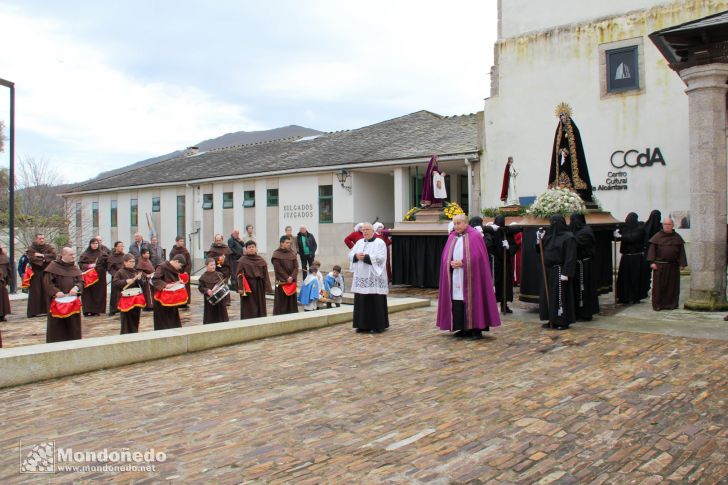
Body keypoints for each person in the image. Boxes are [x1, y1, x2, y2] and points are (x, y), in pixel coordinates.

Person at [437, 214, 500, 338]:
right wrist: (449, 263)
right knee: (458, 300)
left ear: (466, 223)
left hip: (472, 277)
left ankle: (476, 329)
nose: (456, 226)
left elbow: (479, 258)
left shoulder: (475, 236)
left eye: (458, 223)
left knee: (474, 299)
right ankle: (462, 328)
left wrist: (464, 262)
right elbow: (445, 257)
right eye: (454, 224)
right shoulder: (452, 237)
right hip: (456, 275)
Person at [536, 215, 577, 329]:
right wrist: (539, 240)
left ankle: (562, 320)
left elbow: (570, 256)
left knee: (559, 297)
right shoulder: (550, 236)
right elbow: (542, 250)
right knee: (549, 296)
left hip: (560, 270)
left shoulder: (568, 237)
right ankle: (551, 319)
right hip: (549, 270)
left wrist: (566, 272)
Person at [548, 103, 594, 203]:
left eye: (564, 115)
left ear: (567, 116)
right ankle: (562, 193)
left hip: (573, 162)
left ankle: (576, 192)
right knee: (562, 176)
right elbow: (557, 147)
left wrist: (568, 150)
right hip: (563, 160)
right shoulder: (559, 131)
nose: (562, 118)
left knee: (572, 176)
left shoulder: (574, 130)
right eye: (561, 116)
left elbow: (576, 145)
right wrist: (561, 151)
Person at [349, 223, 390, 333]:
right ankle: (362, 325)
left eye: (367, 229)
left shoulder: (379, 242)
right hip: (361, 275)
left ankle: (377, 326)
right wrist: (356, 256)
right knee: (361, 300)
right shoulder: (359, 242)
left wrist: (366, 257)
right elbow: (350, 254)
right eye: (363, 230)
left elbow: (382, 258)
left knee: (374, 301)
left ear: (373, 231)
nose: (365, 232)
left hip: (374, 276)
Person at [44, 247, 83, 343]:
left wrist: (76, 288)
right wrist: (56, 292)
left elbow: (81, 282)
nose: (73, 256)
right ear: (63, 255)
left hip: (72, 302)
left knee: (73, 325)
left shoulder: (75, 268)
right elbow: (47, 283)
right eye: (71, 255)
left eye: (74, 254)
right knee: (58, 326)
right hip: (57, 301)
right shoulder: (53, 267)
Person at [647, 218, 687, 311]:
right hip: (660, 265)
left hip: (673, 266)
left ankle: (671, 304)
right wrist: (652, 262)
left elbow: (681, 252)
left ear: (672, 225)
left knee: (672, 286)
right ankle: (658, 305)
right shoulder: (657, 237)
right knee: (659, 286)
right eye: (665, 224)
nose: (667, 226)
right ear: (663, 225)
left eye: (669, 224)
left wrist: (682, 264)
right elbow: (652, 250)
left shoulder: (677, 237)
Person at [485, 215, 519, 313]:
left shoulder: (507, 232)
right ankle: (491, 305)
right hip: (496, 262)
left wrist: (508, 248)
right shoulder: (492, 231)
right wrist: (496, 252)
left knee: (506, 284)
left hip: (506, 262)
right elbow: (489, 245)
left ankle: (504, 304)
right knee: (496, 283)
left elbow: (514, 245)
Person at [570, 213, 599, 320]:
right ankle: (577, 311)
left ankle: (585, 313)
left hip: (584, 265)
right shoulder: (576, 230)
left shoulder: (586, 231)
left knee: (584, 289)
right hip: (578, 264)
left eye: (573, 220)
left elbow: (575, 242)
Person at [615, 212, 648, 304]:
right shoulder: (625, 228)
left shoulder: (640, 228)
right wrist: (616, 233)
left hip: (636, 257)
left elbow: (633, 238)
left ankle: (635, 296)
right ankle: (623, 296)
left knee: (635, 278)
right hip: (625, 257)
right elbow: (619, 238)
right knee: (624, 278)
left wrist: (621, 236)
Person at [236, 240, 272, 319]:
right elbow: (239, 275)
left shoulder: (261, 260)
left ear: (256, 248)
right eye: (249, 247)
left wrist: (268, 287)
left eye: (253, 247)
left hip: (259, 286)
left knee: (260, 304)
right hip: (248, 286)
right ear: (246, 249)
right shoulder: (242, 260)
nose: (251, 249)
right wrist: (240, 288)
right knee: (248, 305)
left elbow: (265, 274)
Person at [25, 234, 57, 317]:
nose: (42, 240)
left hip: (46, 272)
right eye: (40, 239)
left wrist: (42, 256)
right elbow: (32, 258)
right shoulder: (31, 249)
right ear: (36, 239)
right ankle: (34, 311)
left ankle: (47, 310)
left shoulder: (48, 247)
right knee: (36, 292)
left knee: (47, 290)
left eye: (43, 238)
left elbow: (53, 256)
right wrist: (45, 260)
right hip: (36, 273)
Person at [151, 255, 186, 329]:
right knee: (163, 324)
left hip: (171, 299)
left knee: (173, 322)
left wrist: (179, 282)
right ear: (176, 261)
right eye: (180, 265)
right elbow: (155, 279)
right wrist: (165, 285)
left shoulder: (174, 269)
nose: (180, 268)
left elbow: (174, 280)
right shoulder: (162, 267)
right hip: (161, 301)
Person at [112, 253, 144, 334]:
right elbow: (115, 283)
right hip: (125, 299)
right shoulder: (120, 272)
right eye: (131, 261)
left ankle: (134, 332)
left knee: (135, 318)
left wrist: (139, 279)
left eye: (134, 261)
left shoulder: (136, 272)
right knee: (126, 319)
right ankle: (125, 335)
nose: (133, 263)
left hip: (135, 298)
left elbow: (142, 284)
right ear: (125, 262)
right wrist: (125, 281)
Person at [78, 238, 107, 317]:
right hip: (88, 276)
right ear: (90, 244)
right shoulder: (85, 254)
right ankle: (87, 310)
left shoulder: (102, 254)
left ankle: (96, 310)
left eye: (96, 244)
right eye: (93, 244)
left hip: (99, 276)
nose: (95, 245)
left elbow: (107, 263)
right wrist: (88, 266)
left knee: (98, 293)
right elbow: (80, 264)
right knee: (88, 294)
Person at [272, 236, 299, 315]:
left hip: (291, 281)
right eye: (287, 243)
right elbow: (278, 268)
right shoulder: (276, 254)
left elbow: (296, 267)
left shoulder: (292, 253)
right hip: (282, 282)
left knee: (291, 301)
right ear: (281, 243)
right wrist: (287, 277)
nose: (289, 245)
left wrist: (292, 277)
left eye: (290, 243)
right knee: (281, 301)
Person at [198, 258, 230, 324]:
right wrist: (207, 290)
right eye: (211, 265)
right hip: (209, 301)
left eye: (214, 264)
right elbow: (200, 287)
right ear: (206, 266)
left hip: (220, 300)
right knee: (211, 316)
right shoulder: (203, 276)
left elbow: (224, 285)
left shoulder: (219, 274)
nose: (213, 266)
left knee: (221, 316)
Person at [207, 234, 232, 306]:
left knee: (225, 285)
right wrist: (218, 259)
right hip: (216, 269)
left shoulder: (226, 248)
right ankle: (219, 300)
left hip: (226, 269)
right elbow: (209, 259)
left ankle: (227, 301)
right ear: (215, 240)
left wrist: (231, 270)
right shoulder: (212, 248)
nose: (218, 242)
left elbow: (230, 260)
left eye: (219, 240)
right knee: (217, 285)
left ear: (222, 240)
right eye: (217, 240)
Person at [169, 236, 192, 307]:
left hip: (184, 272)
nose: (182, 242)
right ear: (177, 242)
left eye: (183, 241)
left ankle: (185, 302)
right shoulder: (173, 251)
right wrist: (176, 272)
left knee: (185, 288)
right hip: (177, 272)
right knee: (177, 287)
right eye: (180, 241)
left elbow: (189, 262)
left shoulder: (185, 251)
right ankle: (178, 302)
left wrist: (186, 271)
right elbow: (171, 262)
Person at [106, 241, 126, 316]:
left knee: (122, 293)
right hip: (115, 277)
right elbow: (110, 268)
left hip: (124, 277)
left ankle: (122, 307)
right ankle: (113, 309)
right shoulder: (111, 257)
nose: (122, 247)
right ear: (116, 247)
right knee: (115, 294)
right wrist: (115, 275)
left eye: (122, 246)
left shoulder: (124, 256)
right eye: (120, 246)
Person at [0, 244, 11, 324]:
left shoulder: (4, 257)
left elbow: (8, 269)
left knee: (2, 299)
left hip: (2, 281)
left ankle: (2, 315)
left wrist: (7, 280)